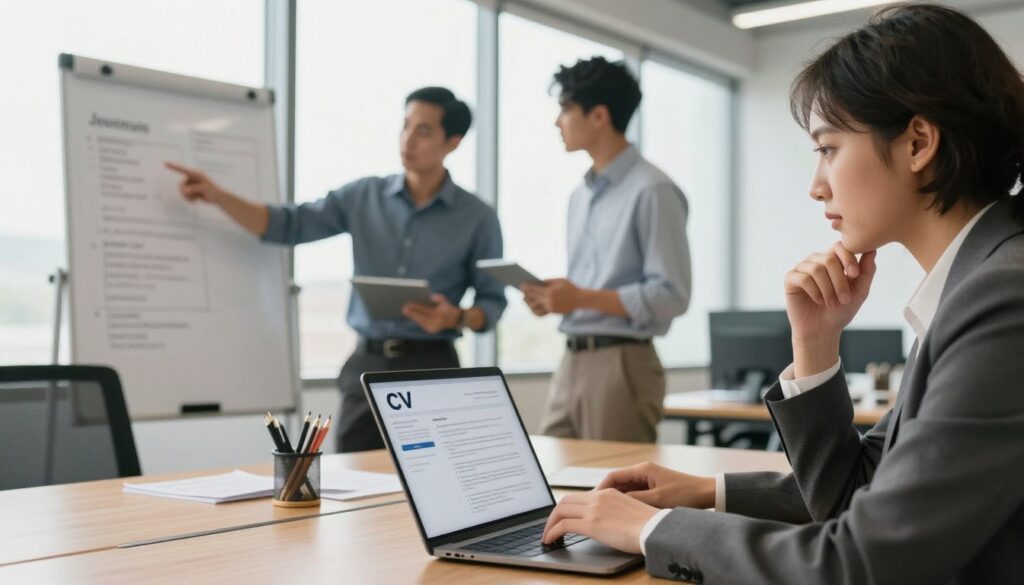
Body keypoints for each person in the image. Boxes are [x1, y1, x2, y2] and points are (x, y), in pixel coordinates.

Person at [541, 5, 1024, 582]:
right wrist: (815, 345)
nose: (815, 186)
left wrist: (648, 529)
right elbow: (866, 487)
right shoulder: (979, 278)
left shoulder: (1002, 296)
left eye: (827, 149)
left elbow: (861, 561)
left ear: (917, 142)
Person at [166, 87, 506, 453]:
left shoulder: (478, 217)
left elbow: (491, 303)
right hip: (367, 366)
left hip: (435, 368)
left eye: (423, 131)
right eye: (405, 126)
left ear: (452, 142)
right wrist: (218, 195)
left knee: (437, 480)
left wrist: (454, 316)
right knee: (355, 486)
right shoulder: (363, 196)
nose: (408, 139)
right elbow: (288, 224)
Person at [522, 56, 691, 444]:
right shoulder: (579, 197)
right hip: (571, 360)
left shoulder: (653, 190)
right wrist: (557, 298)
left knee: (617, 494)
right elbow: (589, 290)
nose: (557, 121)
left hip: (623, 363)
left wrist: (580, 297)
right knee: (550, 483)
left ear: (598, 116)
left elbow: (671, 296)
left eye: (565, 109)